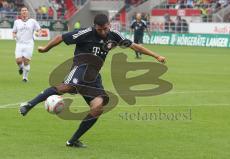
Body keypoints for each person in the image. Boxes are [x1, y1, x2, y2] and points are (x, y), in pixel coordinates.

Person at [19, 14, 166, 148]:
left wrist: (156, 56)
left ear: (109, 25)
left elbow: (134, 46)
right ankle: (29, 104)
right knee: (67, 87)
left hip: (94, 76)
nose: (103, 32)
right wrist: (45, 48)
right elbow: (61, 38)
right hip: (80, 68)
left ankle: (73, 141)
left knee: (97, 108)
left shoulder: (114, 35)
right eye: (100, 29)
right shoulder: (85, 33)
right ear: (95, 27)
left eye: (105, 29)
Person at [12, 6, 41, 82]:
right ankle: (20, 67)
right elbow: (14, 31)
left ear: (28, 12)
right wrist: (14, 35)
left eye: (25, 10)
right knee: (18, 61)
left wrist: (38, 33)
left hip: (29, 44)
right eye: (22, 10)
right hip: (19, 44)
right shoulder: (17, 22)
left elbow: (39, 29)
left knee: (26, 61)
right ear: (21, 12)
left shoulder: (32, 21)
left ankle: (25, 78)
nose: (24, 11)